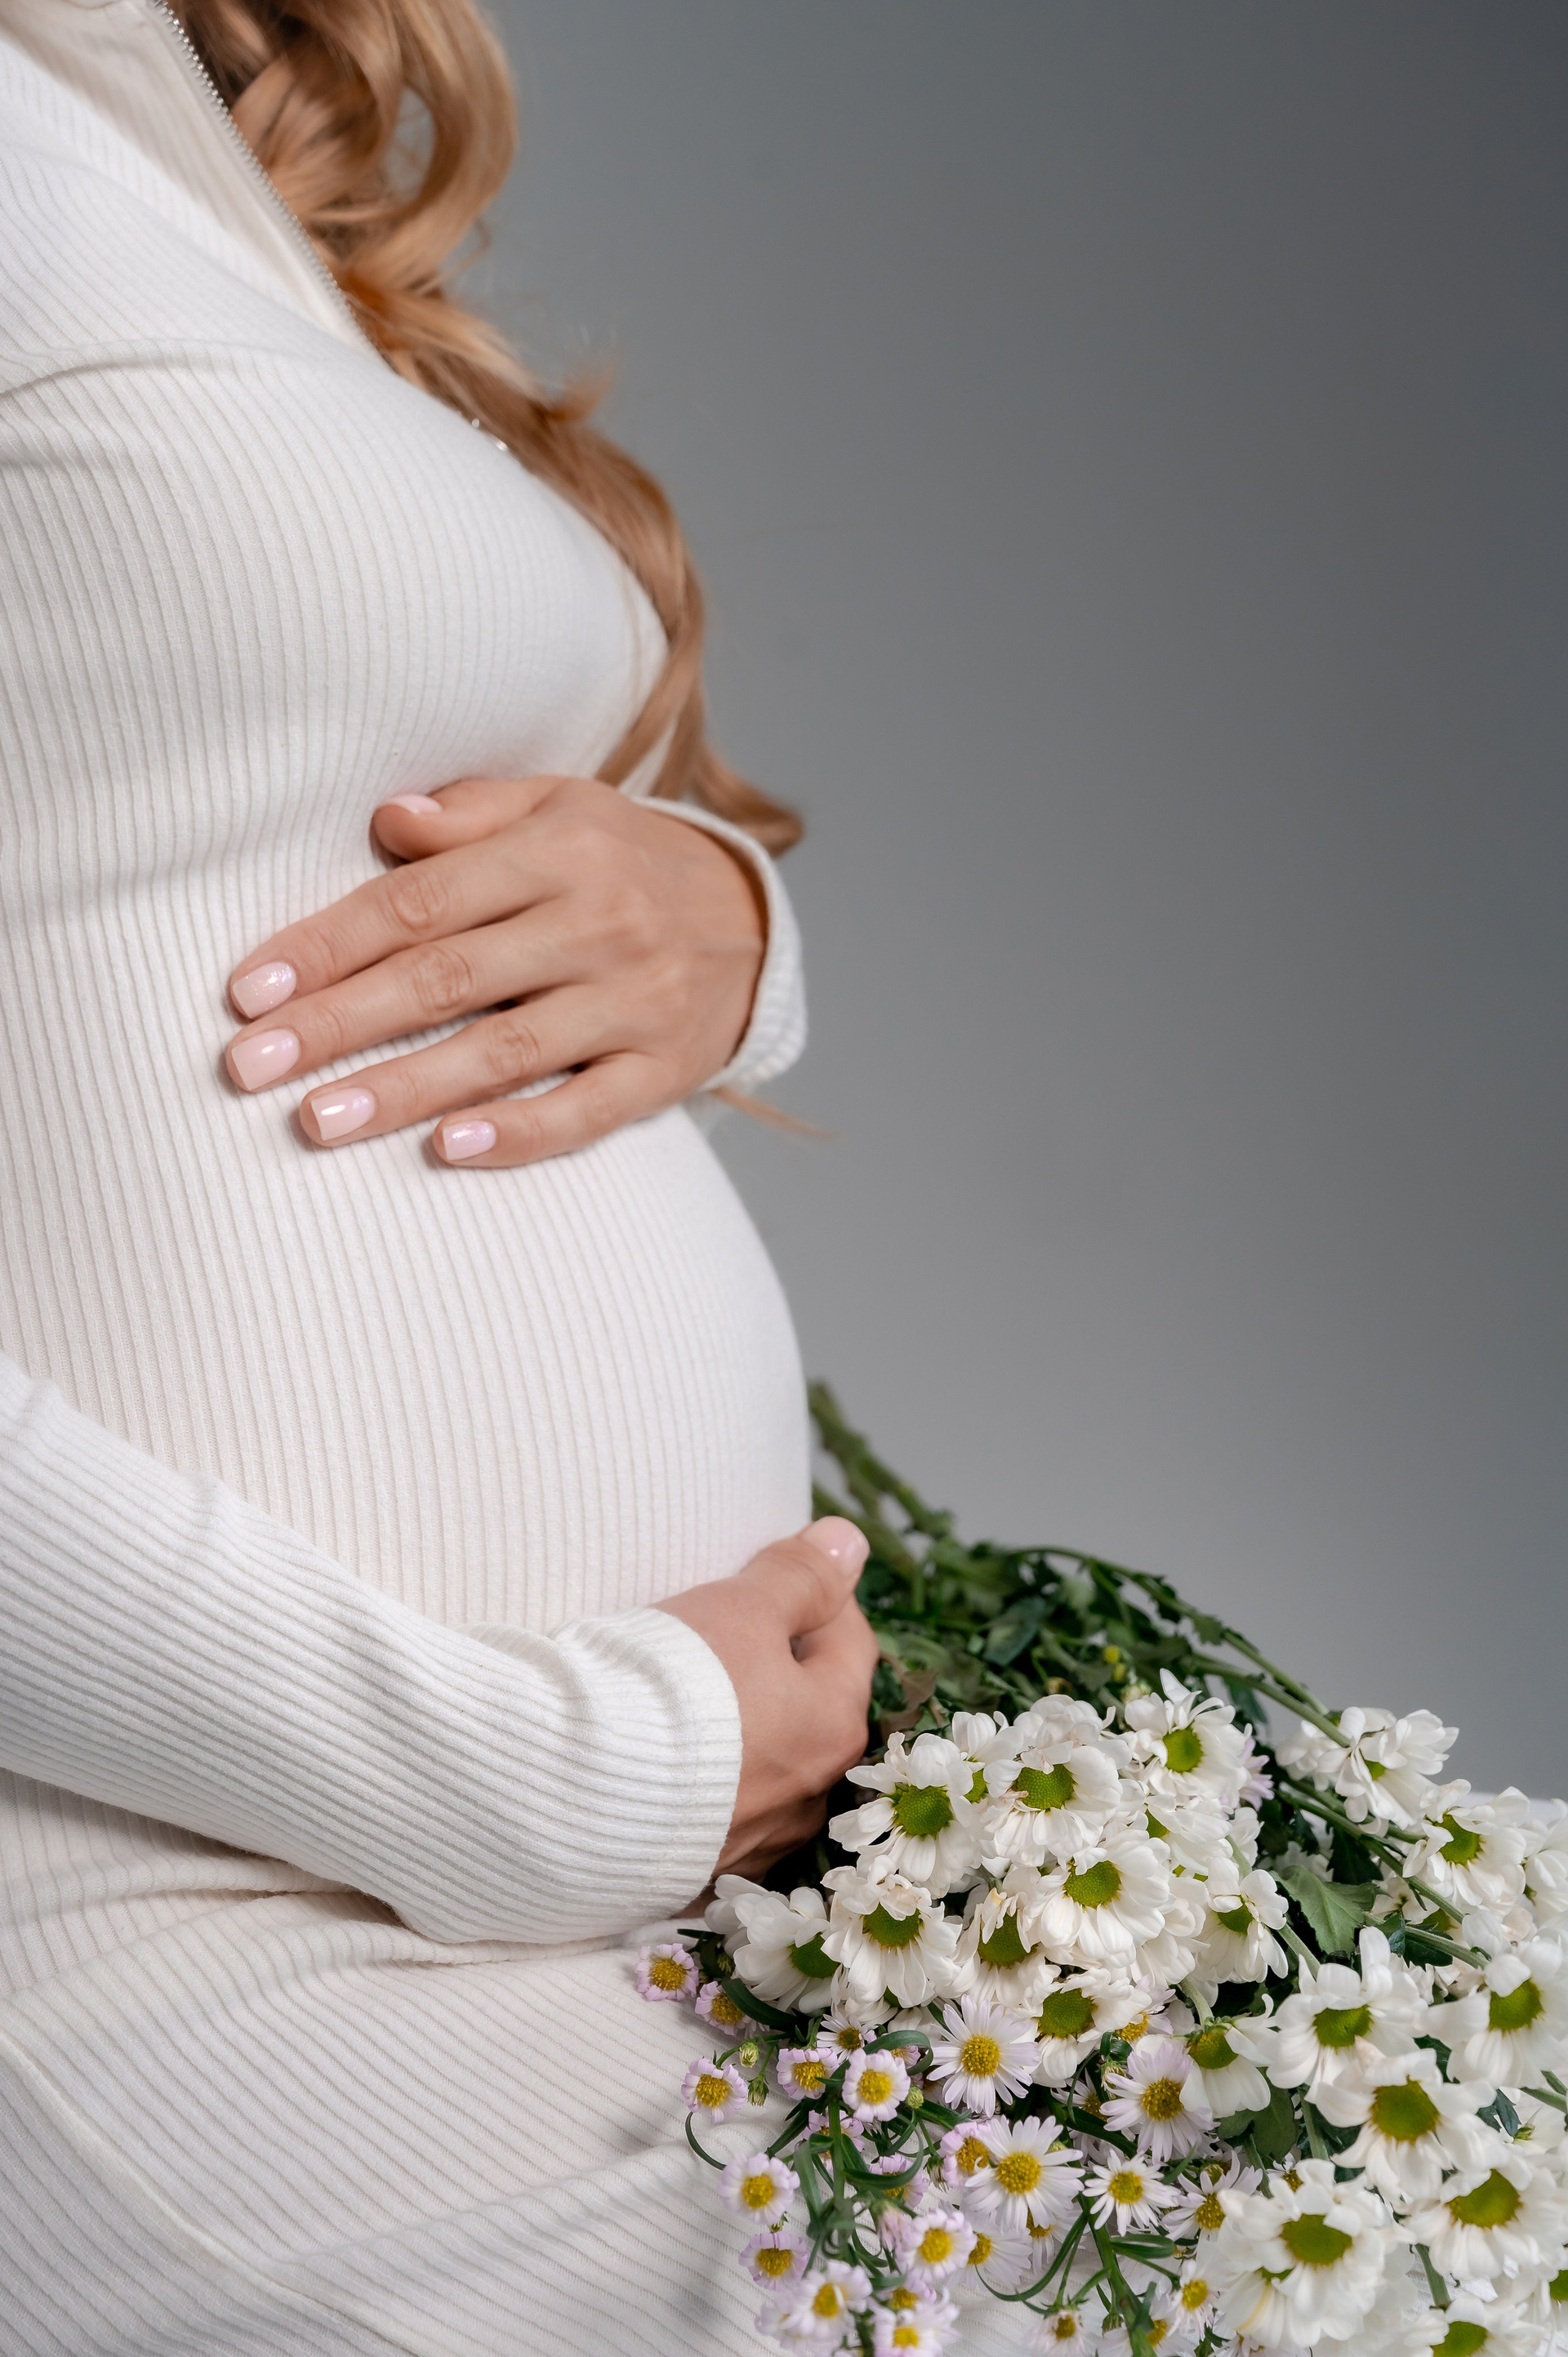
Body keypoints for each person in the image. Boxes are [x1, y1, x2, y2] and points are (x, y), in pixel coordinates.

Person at [0, 2, 883, 2348]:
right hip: (171, 1928)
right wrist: (531, 1778)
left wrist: (718, 924)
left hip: (580, 1924)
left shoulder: (132, 111)